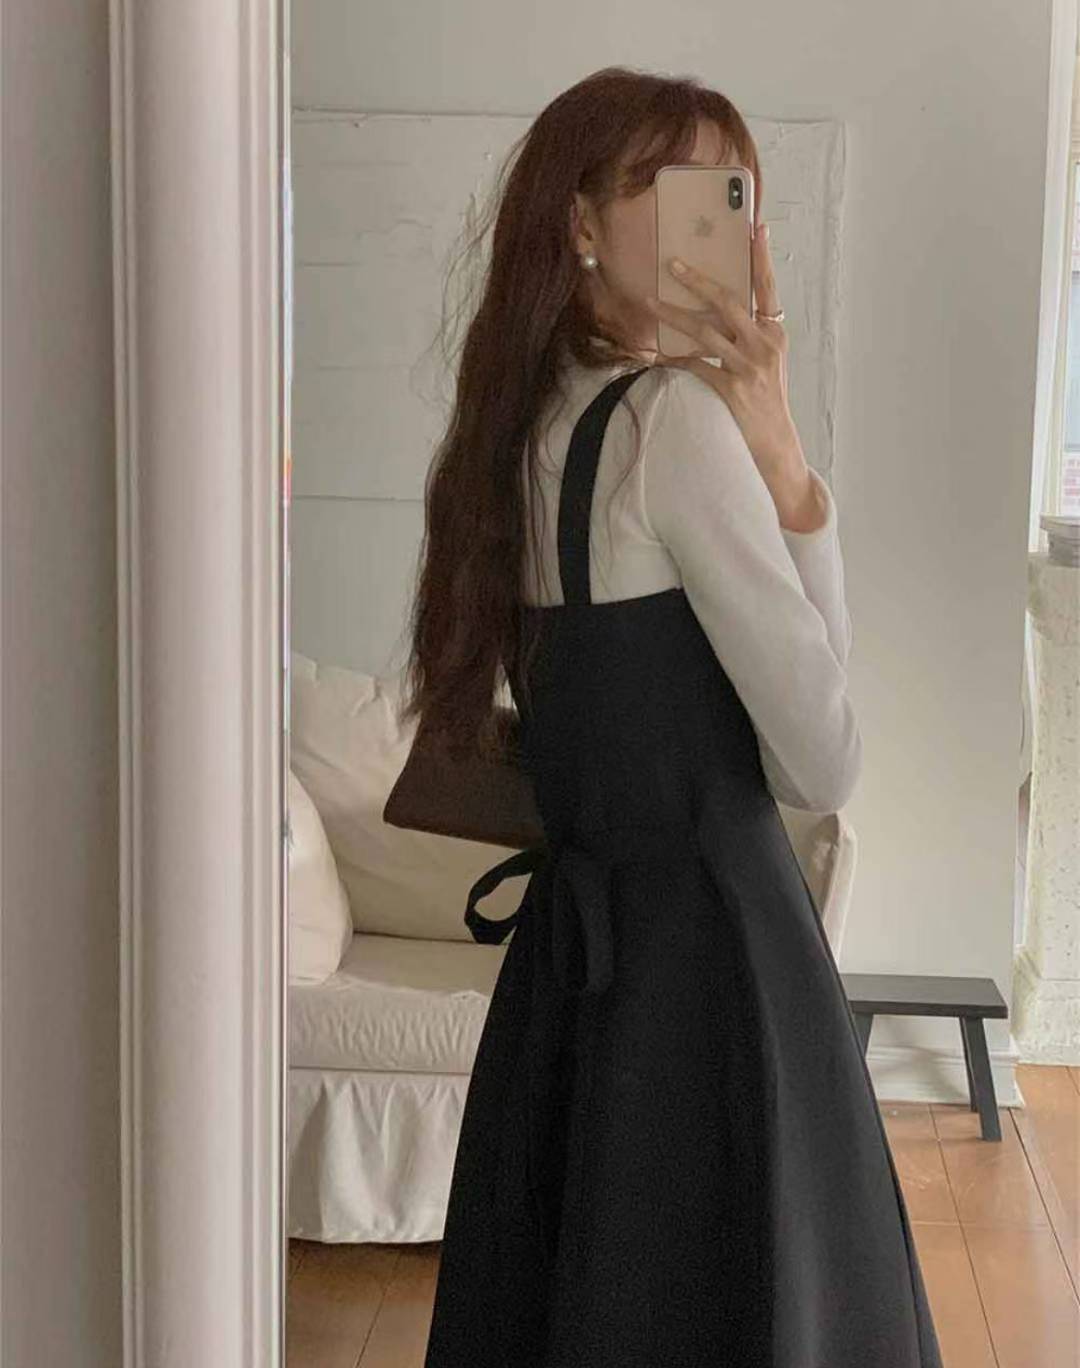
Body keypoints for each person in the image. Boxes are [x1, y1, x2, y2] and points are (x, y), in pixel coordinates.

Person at [401, 65, 945, 1368]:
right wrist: (786, 462)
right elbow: (823, 762)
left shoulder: (523, 427)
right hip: (718, 961)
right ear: (582, 222)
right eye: (678, 186)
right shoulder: (673, 428)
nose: (720, 217)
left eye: (731, 189)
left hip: (578, 968)